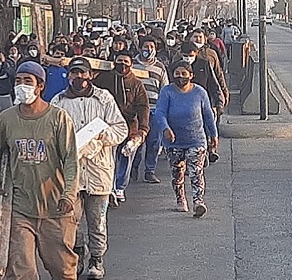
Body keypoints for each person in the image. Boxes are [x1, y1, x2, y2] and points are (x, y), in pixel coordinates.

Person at [0, 61, 79, 280]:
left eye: (28, 81)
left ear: (40, 87)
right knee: (21, 271)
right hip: (19, 207)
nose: (22, 86)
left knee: (62, 268)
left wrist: (69, 194)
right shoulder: (7, 119)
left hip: (55, 209)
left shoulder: (58, 118)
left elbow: (70, 160)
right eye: (18, 80)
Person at [50, 58, 128, 280]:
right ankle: (78, 252)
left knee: (97, 220)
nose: (79, 79)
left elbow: (120, 129)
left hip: (98, 170)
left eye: (83, 74)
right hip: (71, 172)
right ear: (69, 76)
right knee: (69, 220)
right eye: (74, 74)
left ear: (90, 75)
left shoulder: (103, 98)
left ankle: (97, 258)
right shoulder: (59, 101)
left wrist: (101, 137)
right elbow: (52, 134)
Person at [154, 62, 218, 217]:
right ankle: (180, 199)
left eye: (184, 73)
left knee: (196, 172)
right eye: (177, 73)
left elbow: (208, 115)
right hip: (174, 141)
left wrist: (213, 135)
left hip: (196, 140)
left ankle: (198, 202)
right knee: (177, 173)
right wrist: (165, 128)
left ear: (191, 75)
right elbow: (160, 112)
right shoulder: (167, 92)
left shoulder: (199, 93)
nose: (180, 77)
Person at [93, 51, 149, 205]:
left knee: (126, 156)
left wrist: (143, 129)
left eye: (125, 61)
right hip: (107, 127)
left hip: (130, 126)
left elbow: (143, 106)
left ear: (131, 64)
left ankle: (119, 188)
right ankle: (109, 188)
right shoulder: (104, 79)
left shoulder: (136, 83)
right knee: (108, 158)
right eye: (119, 61)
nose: (122, 64)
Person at [131, 37, 169, 184]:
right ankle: (133, 168)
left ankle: (150, 171)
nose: (149, 49)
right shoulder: (132, 65)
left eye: (151, 47)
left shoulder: (159, 67)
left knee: (154, 142)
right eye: (146, 46)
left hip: (154, 110)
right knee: (136, 142)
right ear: (140, 48)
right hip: (136, 111)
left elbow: (164, 88)